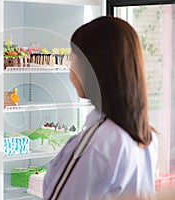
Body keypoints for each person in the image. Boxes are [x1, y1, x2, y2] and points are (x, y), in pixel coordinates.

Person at [43, 16, 158, 200]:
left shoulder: (94, 146)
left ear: (91, 68)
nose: (69, 70)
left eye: (72, 61)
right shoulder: (146, 136)